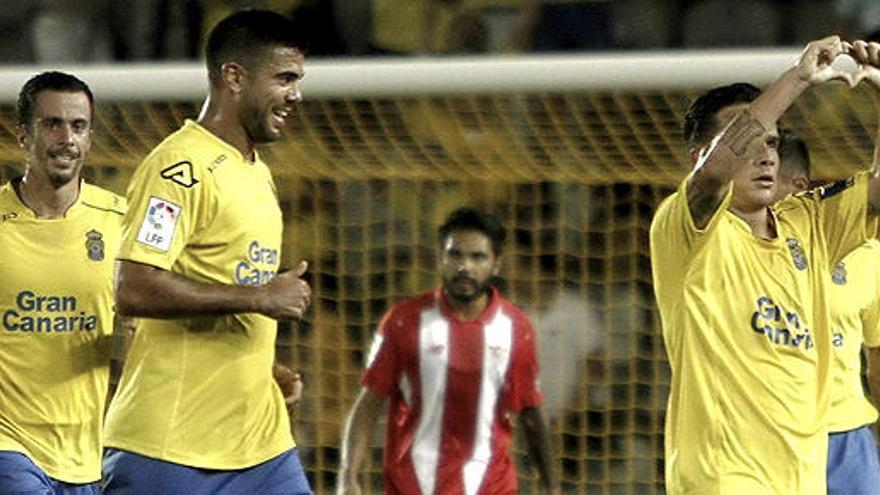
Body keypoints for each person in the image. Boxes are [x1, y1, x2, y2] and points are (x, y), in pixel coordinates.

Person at [650, 35, 880, 493]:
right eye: (750, 138)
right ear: (699, 156)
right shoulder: (685, 229)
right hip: (722, 478)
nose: (766, 152)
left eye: (773, 142)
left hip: (801, 479)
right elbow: (713, 176)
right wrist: (798, 77)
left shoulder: (808, 223)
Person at [101, 9, 313, 494]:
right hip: (171, 450)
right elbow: (133, 286)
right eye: (284, 78)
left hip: (259, 445)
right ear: (234, 77)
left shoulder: (256, 169)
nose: (296, 95)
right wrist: (258, 297)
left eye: (298, 79)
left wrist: (261, 369)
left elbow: (219, 278)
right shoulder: (179, 168)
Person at [337, 207, 557, 495]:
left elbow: (530, 411)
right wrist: (348, 475)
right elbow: (369, 402)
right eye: (455, 255)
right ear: (441, 257)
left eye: (477, 257)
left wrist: (551, 486)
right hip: (413, 484)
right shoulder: (404, 320)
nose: (465, 266)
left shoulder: (516, 327)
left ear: (496, 264)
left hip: (492, 485)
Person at [0, 72, 125, 494]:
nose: (66, 138)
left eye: (78, 126)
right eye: (52, 124)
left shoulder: (120, 221)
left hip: (86, 453)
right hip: (8, 443)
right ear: (22, 136)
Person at [774, 127, 880, 494]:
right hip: (771, 432)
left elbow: (877, 359)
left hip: (847, 437)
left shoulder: (869, 256)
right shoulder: (739, 249)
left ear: (798, 185)